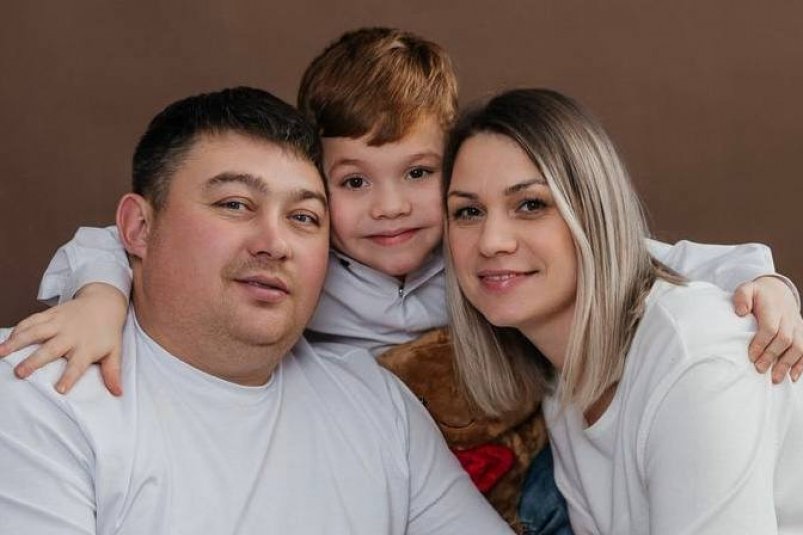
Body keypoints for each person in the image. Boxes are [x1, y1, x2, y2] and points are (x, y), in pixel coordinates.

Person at [1, 27, 802, 534]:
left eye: (420, 176)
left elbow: (643, 254)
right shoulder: (44, 387)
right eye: (236, 204)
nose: (389, 209)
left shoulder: (467, 275)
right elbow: (113, 244)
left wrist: (763, 284)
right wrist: (99, 294)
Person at [0, 87, 513, 534]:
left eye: (304, 217)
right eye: (235, 204)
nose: (275, 242)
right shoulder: (36, 388)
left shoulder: (380, 405)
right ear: (138, 229)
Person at [443, 88, 803, 533]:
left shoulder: (694, 358)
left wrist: (768, 280)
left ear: (594, 212)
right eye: (468, 211)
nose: (492, 241)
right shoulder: (564, 378)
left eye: (531, 205)